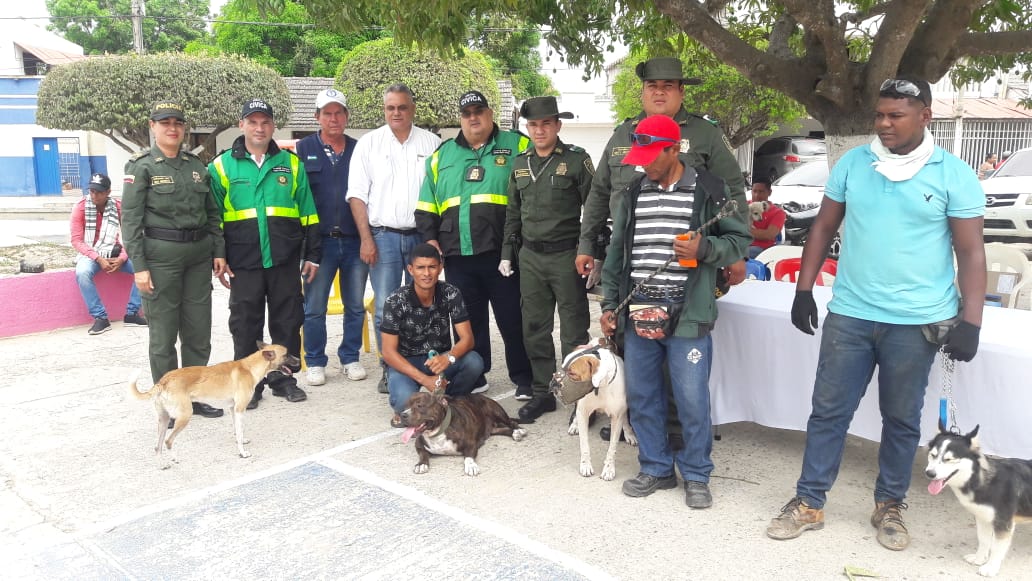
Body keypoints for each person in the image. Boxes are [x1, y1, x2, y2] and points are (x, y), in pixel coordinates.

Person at [765, 77, 986, 551]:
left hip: (918, 321)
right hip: (851, 314)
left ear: (925, 115)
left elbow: (970, 252)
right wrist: (804, 289)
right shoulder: (854, 163)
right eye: (880, 115)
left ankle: (890, 506)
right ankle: (809, 502)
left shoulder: (953, 174)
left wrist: (972, 321)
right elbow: (824, 226)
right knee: (828, 413)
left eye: (895, 115)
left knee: (902, 419)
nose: (883, 124)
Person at [577, 56, 750, 443]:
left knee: (683, 361)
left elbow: (732, 191)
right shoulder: (625, 134)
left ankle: (680, 434)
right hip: (634, 263)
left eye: (668, 86)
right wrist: (587, 243)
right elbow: (600, 192)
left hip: (689, 268)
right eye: (652, 86)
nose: (659, 92)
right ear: (642, 91)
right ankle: (639, 426)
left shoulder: (704, 134)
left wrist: (735, 253)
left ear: (681, 91)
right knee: (637, 354)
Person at [599, 114, 749, 508]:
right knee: (644, 395)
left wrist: (705, 251)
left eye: (650, 155)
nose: (643, 163)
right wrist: (611, 304)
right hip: (639, 311)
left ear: (672, 148)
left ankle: (697, 474)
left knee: (691, 398)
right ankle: (656, 468)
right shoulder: (632, 192)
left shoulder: (710, 189)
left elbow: (738, 240)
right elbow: (617, 254)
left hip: (688, 312)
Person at [415, 90, 532, 394]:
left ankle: (524, 378)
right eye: (467, 113)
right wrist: (430, 240)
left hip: (504, 253)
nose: (473, 118)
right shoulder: (442, 156)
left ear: (490, 113)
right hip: (458, 255)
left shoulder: (517, 144)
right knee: (469, 322)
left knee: (512, 318)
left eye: (479, 111)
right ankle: (477, 376)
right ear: (460, 118)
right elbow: (426, 205)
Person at [209, 98, 321, 409]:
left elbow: (309, 213)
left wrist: (312, 254)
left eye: (265, 122)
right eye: (253, 121)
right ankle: (250, 387)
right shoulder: (220, 166)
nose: (259, 128)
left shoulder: (291, 164)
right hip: (243, 262)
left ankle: (283, 380)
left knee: (287, 321)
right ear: (241, 124)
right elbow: (211, 218)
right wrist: (217, 256)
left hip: (284, 261)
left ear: (273, 126)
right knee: (246, 324)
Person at [121, 101, 226, 421]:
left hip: (197, 258)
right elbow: (130, 220)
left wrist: (218, 251)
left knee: (198, 332)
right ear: (152, 127)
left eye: (178, 123)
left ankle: (194, 395)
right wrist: (139, 266)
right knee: (163, 336)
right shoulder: (141, 166)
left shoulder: (196, 166)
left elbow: (212, 213)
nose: (172, 128)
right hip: (160, 260)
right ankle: (168, 401)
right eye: (164, 122)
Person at [500, 96, 594, 421]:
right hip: (530, 258)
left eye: (545, 124)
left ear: (557, 125)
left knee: (573, 329)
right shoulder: (519, 163)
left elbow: (593, 210)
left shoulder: (577, 160)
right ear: (527, 128)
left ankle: (579, 395)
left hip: (566, 256)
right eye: (533, 125)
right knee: (534, 328)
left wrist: (590, 250)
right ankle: (543, 393)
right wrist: (506, 255)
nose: (539, 130)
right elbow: (512, 212)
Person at [348, 83, 442, 395]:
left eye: (402, 107)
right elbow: (357, 196)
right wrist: (366, 239)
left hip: (420, 238)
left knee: (425, 306)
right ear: (384, 110)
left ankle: (423, 366)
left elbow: (440, 194)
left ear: (412, 109)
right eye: (391, 108)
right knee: (387, 308)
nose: (396, 113)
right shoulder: (369, 144)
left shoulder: (431, 143)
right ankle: (390, 370)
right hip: (383, 237)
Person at [297, 89, 368, 387]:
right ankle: (314, 361)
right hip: (318, 243)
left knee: (355, 304)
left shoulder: (360, 149)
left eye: (339, 112)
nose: (334, 118)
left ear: (347, 116)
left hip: (354, 240)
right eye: (327, 113)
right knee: (314, 307)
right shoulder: (302, 149)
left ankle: (350, 357)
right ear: (317, 117)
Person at [380, 243, 484, 428]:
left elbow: (468, 339)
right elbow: (388, 352)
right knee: (403, 400)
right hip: (407, 363)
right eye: (420, 267)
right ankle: (405, 394)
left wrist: (449, 358)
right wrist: (424, 380)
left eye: (432, 267)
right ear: (410, 269)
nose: (426, 273)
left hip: (439, 360)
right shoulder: (395, 300)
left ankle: (449, 401)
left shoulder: (451, 293)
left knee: (474, 361)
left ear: (440, 268)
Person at [71, 172, 147, 335]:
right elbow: (77, 240)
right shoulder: (80, 208)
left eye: (99, 192)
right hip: (91, 254)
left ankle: (132, 314)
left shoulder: (118, 207)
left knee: (143, 267)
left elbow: (131, 236)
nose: (94, 195)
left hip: (115, 251)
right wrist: (98, 258)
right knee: (82, 273)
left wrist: (122, 258)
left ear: (108, 192)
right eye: (91, 191)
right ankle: (101, 318)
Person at [747, 179, 786, 259]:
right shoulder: (744, 205)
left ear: (769, 192)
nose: (757, 195)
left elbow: (769, 235)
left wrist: (742, 229)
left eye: (761, 192)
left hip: (761, 249)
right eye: (754, 191)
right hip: (739, 244)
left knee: (741, 254)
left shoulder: (778, 212)